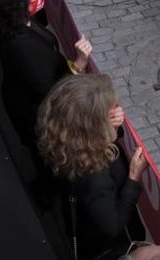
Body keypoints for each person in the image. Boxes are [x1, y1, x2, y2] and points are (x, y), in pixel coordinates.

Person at [37, 75, 148, 260]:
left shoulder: (62, 138)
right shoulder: (95, 177)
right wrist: (134, 178)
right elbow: (112, 226)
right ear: (93, 124)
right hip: (111, 246)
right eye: (110, 109)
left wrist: (110, 128)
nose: (117, 109)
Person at [0, 0, 91, 153]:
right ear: (21, 2)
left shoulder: (10, 22)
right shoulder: (23, 49)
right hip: (39, 121)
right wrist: (80, 63)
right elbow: (52, 93)